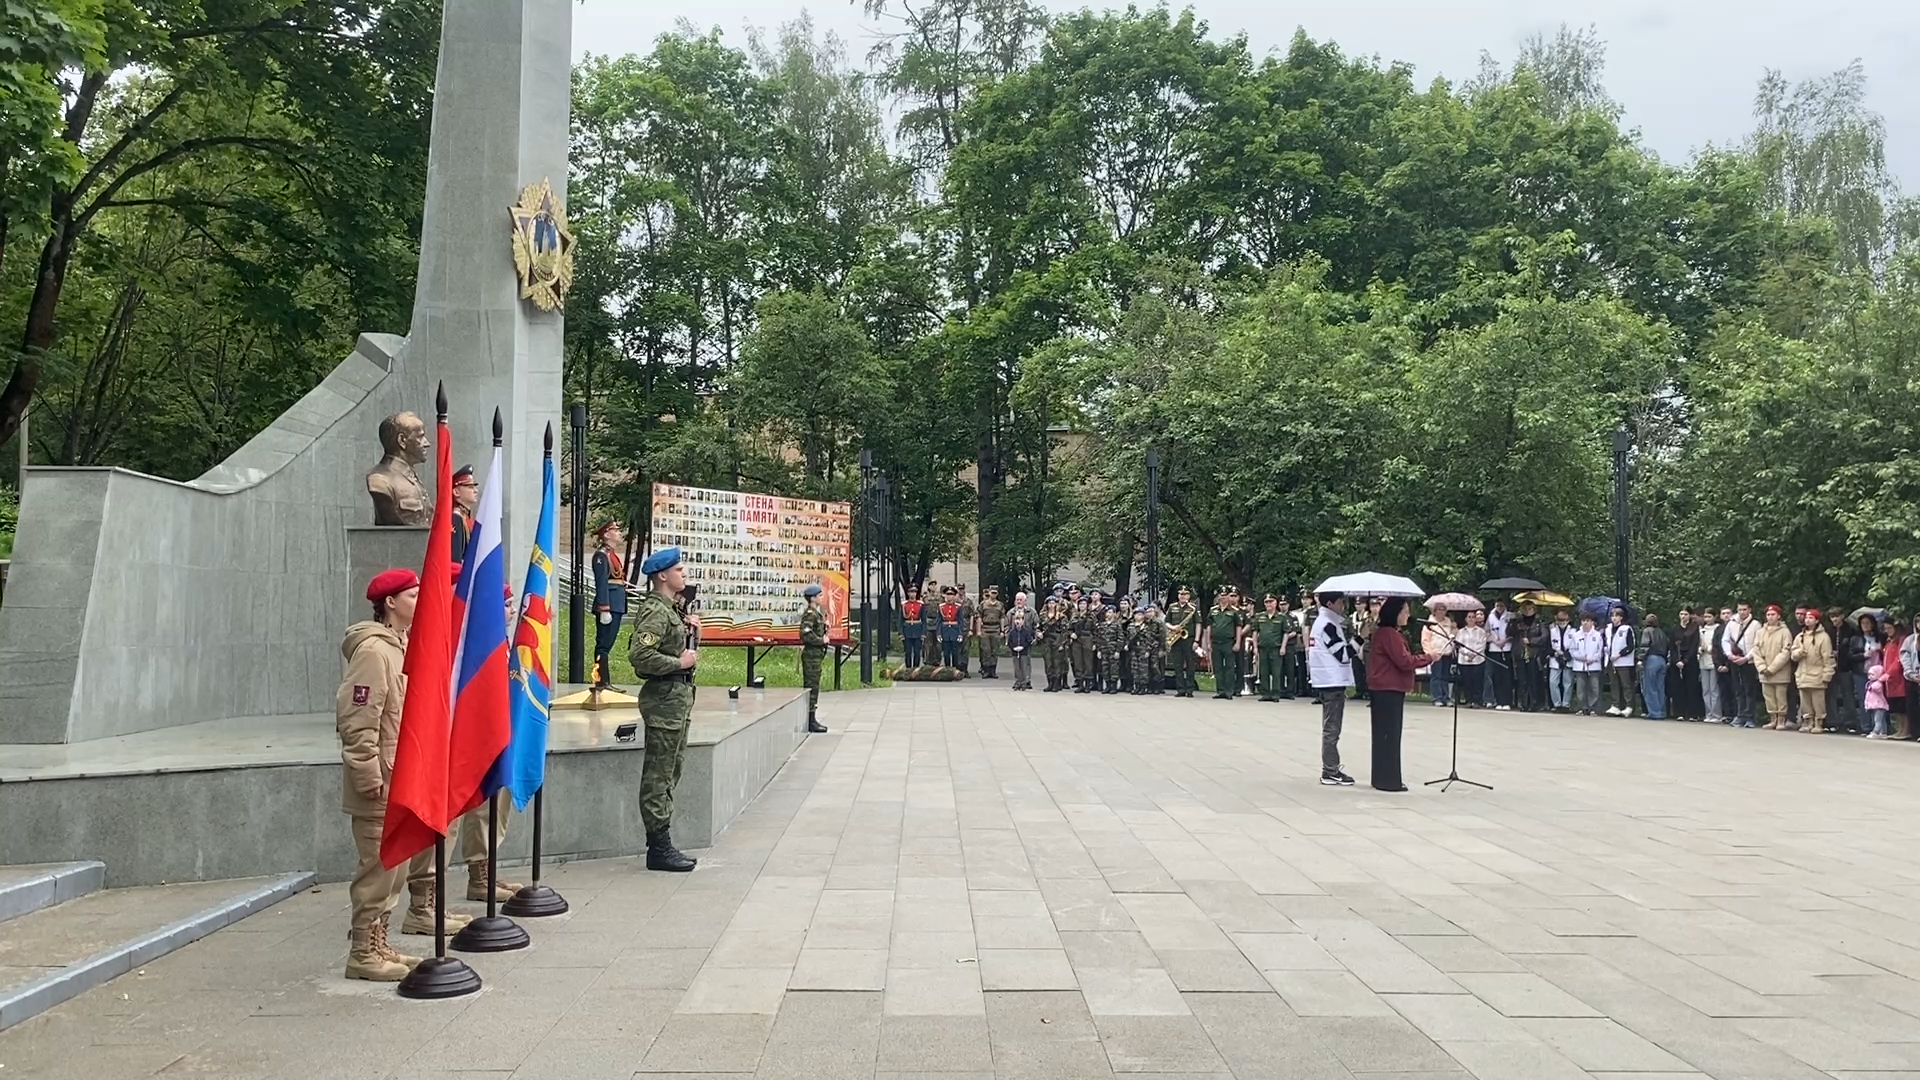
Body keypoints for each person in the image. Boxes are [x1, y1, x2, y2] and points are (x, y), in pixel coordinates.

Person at [337, 568, 431, 981]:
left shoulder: (402, 646)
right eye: (412, 596)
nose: (419, 601)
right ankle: (362, 952)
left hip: (401, 775)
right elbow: (359, 718)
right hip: (380, 778)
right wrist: (366, 772)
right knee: (376, 866)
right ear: (390, 603)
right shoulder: (374, 652)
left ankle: (380, 941)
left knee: (393, 864)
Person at [627, 546, 701, 873]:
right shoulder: (656, 611)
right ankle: (658, 846)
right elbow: (640, 657)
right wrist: (678, 661)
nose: (684, 575)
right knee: (659, 774)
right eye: (679, 570)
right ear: (662, 575)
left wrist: (688, 629)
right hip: (664, 699)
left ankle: (662, 841)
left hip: (676, 698)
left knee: (671, 770)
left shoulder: (671, 609)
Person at [1367, 598, 1439, 792]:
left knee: (1385, 735)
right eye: (1405, 611)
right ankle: (1388, 780)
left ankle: (1382, 777)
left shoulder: (1390, 633)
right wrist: (1428, 658)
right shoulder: (1389, 634)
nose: (1408, 615)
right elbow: (1404, 661)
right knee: (1389, 735)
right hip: (1388, 687)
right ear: (1396, 613)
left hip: (1386, 687)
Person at [1307, 591, 1356, 786]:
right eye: (1340, 602)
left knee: (1331, 726)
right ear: (1330, 603)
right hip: (1331, 681)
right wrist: (1360, 638)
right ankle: (1330, 770)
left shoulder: (1327, 622)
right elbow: (1343, 654)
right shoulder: (1327, 624)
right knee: (1332, 728)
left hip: (1329, 679)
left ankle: (1331, 768)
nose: (1343, 605)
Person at [591, 521, 629, 691]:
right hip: (609, 605)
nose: (619, 533)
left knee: (607, 645)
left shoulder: (611, 554)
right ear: (606, 534)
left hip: (616, 604)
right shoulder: (601, 555)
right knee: (603, 645)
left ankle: (604, 681)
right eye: (616, 530)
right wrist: (604, 608)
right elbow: (601, 583)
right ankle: (601, 681)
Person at [1790, 608, 1833, 734]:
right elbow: (1793, 653)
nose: (1807, 620)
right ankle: (1807, 721)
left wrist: (1827, 674)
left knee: (1818, 701)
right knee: (1804, 700)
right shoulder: (1800, 636)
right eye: (1807, 618)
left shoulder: (1823, 637)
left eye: (1811, 618)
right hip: (1802, 673)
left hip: (1817, 673)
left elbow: (1827, 657)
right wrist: (1798, 653)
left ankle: (1818, 722)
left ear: (1817, 620)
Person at [1754, 604, 1794, 730]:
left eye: (1773, 615)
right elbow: (1756, 650)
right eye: (1768, 615)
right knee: (1769, 697)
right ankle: (1772, 719)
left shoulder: (1785, 632)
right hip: (1764, 671)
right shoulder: (1760, 632)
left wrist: (1772, 668)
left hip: (1779, 671)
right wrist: (1761, 667)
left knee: (1780, 697)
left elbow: (1786, 651)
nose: (1770, 617)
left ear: (1779, 616)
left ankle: (1781, 719)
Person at [799, 583, 831, 733]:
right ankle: (810, 721)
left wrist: (825, 626)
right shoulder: (810, 614)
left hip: (816, 657)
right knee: (811, 688)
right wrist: (821, 641)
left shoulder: (816, 614)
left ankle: (811, 719)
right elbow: (806, 634)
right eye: (819, 596)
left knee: (814, 687)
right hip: (811, 657)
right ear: (812, 598)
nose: (821, 598)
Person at [1208, 590, 1243, 700]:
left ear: (1228, 597)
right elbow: (1209, 626)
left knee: (1229, 668)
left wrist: (1237, 642)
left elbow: (1238, 627)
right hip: (1215, 642)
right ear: (1219, 597)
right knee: (1218, 668)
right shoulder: (1213, 610)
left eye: (1225, 595)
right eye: (1221, 595)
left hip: (1228, 642)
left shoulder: (1234, 611)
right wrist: (1208, 643)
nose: (1223, 597)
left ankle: (1229, 691)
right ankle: (1220, 691)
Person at [1253, 595, 1288, 701]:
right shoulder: (1260, 616)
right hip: (1263, 647)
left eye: (1270, 601)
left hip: (1276, 648)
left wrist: (1283, 647)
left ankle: (1276, 694)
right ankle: (1266, 693)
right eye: (1266, 602)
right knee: (1264, 671)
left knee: (1276, 672)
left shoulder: (1281, 617)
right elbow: (1255, 632)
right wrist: (1255, 646)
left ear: (1275, 603)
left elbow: (1285, 633)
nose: (1268, 604)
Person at [1166, 587, 1200, 697]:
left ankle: (1190, 689)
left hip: (1189, 639)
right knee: (1177, 665)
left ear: (1189, 596)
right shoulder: (1172, 607)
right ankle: (1180, 689)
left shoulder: (1193, 608)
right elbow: (1166, 621)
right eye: (1181, 594)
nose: (1183, 596)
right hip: (1176, 639)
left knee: (1190, 665)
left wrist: (1197, 640)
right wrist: (1173, 627)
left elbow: (1198, 624)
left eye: (1185, 594)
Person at [1569, 613, 1605, 715]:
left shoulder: (1597, 635)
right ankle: (1582, 707)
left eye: (1587, 621)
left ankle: (1593, 707)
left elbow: (1600, 651)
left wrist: (1593, 658)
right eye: (1583, 621)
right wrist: (1582, 657)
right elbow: (1572, 650)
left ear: (1592, 622)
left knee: (1594, 687)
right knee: (1580, 688)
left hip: (1594, 665)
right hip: (1580, 666)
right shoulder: (1576, 635)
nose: (1585, 623)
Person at [1603, 608, 1636, 717]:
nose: (1614, 618)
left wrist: (1619, 654)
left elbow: (1630, 646)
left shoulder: (1627, 629)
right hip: (1611, 661)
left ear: (1621, 617)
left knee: (1626, 684)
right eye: (1612, 616)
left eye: (1616, 616)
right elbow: (1605, 642)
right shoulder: (1608, 629)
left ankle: (1629, 706)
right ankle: (1615, 705)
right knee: (1614, 683)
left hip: (1624, 662)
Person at [1516, 601, 1548, 711]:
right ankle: (1523, 703)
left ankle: (1534, 703)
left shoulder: (1539, 622)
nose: (1527, 611)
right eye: (1525, 608)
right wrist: (1514, 621)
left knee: (1533, 679)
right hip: (1521, 653)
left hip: (1534, 654)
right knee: (1522, 680)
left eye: (1530, 608)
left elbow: (1544, 637)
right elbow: (1510, 633)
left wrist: (1531, 641)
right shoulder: (1519, 622)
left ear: (1534, 609)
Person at [1672, 609, 1703, 722]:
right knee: (1678, 687)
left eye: (1685, 614)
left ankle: (1692, 713)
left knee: (1691, 687)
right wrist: (1676, 660)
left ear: (1689, 616)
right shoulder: (1675, 629)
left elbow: (1694, 646)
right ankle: (1679, 712)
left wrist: (1685, 661)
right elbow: (1672, 646)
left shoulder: (1694, 629)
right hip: (1677, 662)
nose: (1683, 616)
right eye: (1681, 614)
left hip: (1690, 661)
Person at [1639, 613, 1671, 720]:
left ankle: (1654, 712)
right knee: (1660, 687)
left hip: (1651, 659)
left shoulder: (1647, 631)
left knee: (1649, 687)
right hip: (1662, 660)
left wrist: (1640, 659)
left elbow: (1645, 646)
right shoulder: (1662, 632)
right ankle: (1662, 711)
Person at [1454, 610, 1488, 706]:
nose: (1471, 619)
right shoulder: (1460, 632)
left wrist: (1473, 654)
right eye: (1469, 617)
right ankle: (1469, 700)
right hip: (1464, 660)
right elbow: (1459, 645)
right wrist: (1467, 654)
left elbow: (1482, 644)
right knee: (1467, 681)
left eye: (1473, 617)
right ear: (1466, 619)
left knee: (1477, 681)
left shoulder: (1481, 631)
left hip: (1478, 660)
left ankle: (1477, 701)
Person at [1423, 604, 1454, 707]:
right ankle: (1437, 697)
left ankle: (1446, 697)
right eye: (1439, 610)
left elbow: (1451, 634)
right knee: (1436, 676)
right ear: (1434, 611)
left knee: (1445, 676)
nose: (1441, 612)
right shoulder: (1429, 623)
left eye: (1443, 610)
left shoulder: (1448, 622)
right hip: (1435, 653)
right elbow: (1425, 640)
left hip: (1447, 651)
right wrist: (1429, 653)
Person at [1485, 598, 1513, 710]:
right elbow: (1486, 632)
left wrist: (1504, 641)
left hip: (1506, 648)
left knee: (1506, 676)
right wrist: (1495, 641)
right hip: (1494, 648)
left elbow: (1513, 632)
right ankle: (1498, 701)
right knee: (1496, 676)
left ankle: (1506, 701)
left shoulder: (1510, 616)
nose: (1500, 608)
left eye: (1502, 606)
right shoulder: (1490, 616)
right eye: (1498, 606)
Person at [1882, 620, 1908, 739]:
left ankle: (1905, 730)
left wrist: (1890, 673)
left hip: (1899, 678)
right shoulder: (1888, 642)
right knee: (1895, 707)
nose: (1887, 631)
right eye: (1886, 628)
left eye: (1890, 628)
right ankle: (1899, 729)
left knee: (1902, 707)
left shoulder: (1901, 641)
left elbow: (1899, 659)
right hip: (1890, 681)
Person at [1545, 608, 1575, 712]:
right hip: (1555, 658)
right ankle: (1556, 704)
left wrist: (1567, 655)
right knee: (1553, 682)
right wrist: (1555, 653)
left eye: (1564, 620)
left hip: (1568, 658)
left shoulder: (1574, 631)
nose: (1562, 622)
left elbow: (1575, 646)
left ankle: (1566, 704)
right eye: (1560, 620)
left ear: (1568, 620)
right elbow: (1548, 645)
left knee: (1568, 682)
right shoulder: (1552, 630)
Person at [1039, 597, 1071, 691]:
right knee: (1048, 662)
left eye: (1053, 603)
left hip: (1057, 639)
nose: (1051, 605)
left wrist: (1062, 643)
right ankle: (1050, 683)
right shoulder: (1043, 615)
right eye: (1050, 603)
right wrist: (1038, 633)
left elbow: (1065, 631)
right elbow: (1038, 627)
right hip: (1046, 640)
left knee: (1057, 663)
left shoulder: (1061, 617)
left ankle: (1057, 684)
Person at [1007, 593, 1036, 690]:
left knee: (1025, 662)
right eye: (1017, 600)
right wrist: (1008, 639)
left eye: (1021, 600)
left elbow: (1036, 625)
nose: (1019, 602)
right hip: (1014, 640)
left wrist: (1034, 638)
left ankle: (1026, 681)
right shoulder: (1011, 612)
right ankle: (1018, 680)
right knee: (1016, 663)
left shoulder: (1031, 612)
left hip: (1026, 641)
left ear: (1025, 601)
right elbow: (1007, 626)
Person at [449, 464, 478, 562]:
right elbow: (455, 559)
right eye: (470, 487)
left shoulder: (465, 517)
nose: (475, 491)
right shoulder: (456, 518)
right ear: (456, 492)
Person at [976, 585, 1005, 679]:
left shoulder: (1000, 605)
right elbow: (979, 617)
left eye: (995, 593)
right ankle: (986, 670)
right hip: (985, 628)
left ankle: (993, 671)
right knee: (986, 650)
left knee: (994, 651)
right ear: (989, 592)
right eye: (992, 592)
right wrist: (979, 630)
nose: (993, 594)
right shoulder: (983, 604)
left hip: (995, 628)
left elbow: (1002, 618)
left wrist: (1002, 630)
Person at [1276, 596, 1301, 699]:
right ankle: (1280, 690)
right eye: (1281, 604)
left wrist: (1284, 637)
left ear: (1288, 605)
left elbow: (1295, 631)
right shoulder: (1276, 616)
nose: (1283, 606)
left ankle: (1290, 691)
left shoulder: (1292, 617)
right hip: (1277, 645)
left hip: (1290, 645)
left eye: (1284, 604)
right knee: (1279, 669)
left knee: (1290, 669)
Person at [1096, 604, 1124, 694]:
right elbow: (1098, 638)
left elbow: (1120, 638)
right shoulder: (1102, 625)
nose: (1108, 614)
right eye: (1107, 612)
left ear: (1115, 614)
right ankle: (1107, 685)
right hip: (1104, 650)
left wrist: (1118, 651)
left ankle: (1113, 686)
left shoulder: (1117, 625)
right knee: (1105, 668)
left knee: (1114, 668)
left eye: (1111, 612)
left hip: (1113, 649)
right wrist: (1099, 650)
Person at [900, 586, 926, 669]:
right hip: (907, 630)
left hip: (917, 629)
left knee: (917, 652)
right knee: (908, 652)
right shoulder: (904, 605)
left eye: (914, 592)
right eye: (911, 592)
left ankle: (915, 668)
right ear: (908, 593)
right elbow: (900, 620)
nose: (913, 594)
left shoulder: (920, 605)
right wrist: (901, 632)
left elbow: (924, 620)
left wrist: (923, 633)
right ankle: (908, 668)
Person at [1865, 662, 1892, 738]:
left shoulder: (1878, 683)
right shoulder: (1870, 683)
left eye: (1872, 675)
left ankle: (1876, 732)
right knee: (1880, 719)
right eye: (1869, 675)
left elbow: (1876, 688)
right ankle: (1883, 732)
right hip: (1873, 705)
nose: (1870, 676)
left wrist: (1879, 680)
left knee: (1877, 720)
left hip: (1879, 705)